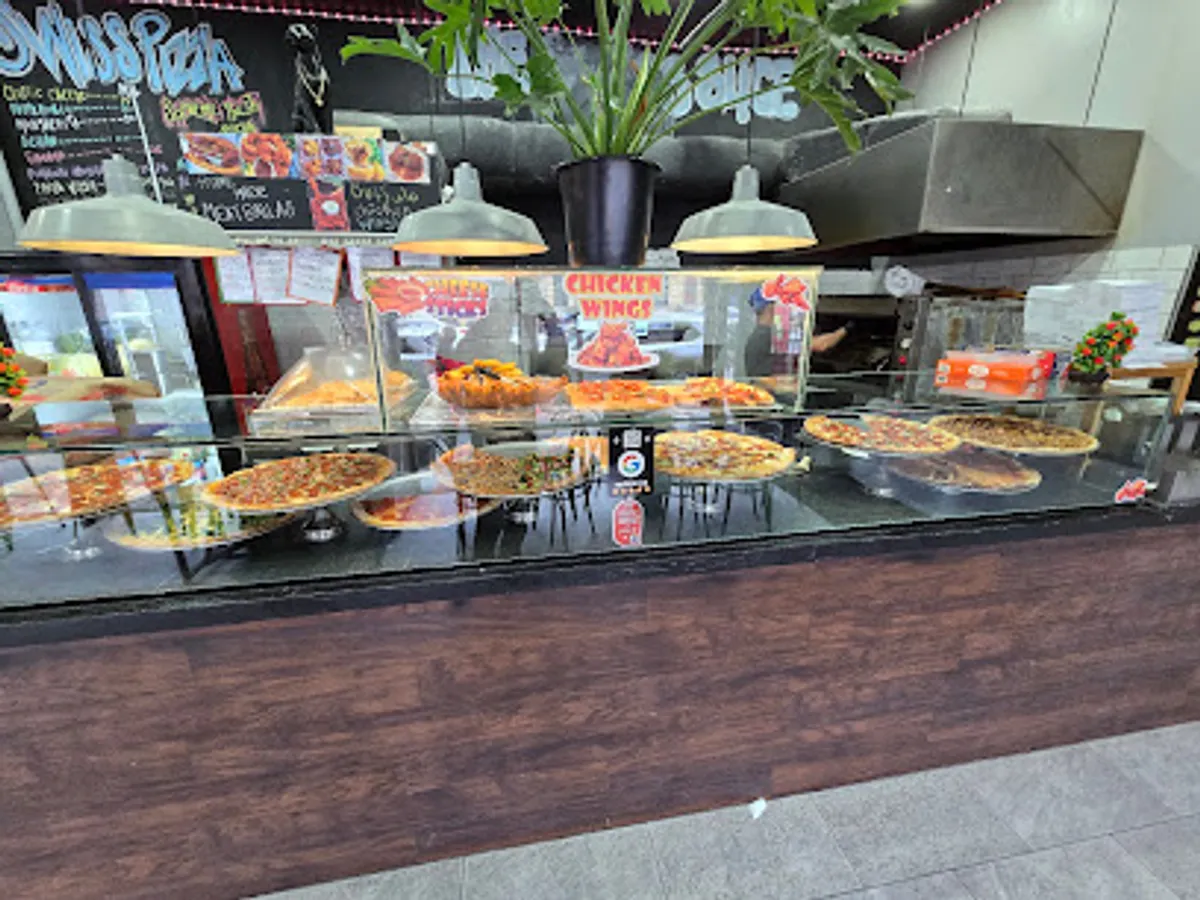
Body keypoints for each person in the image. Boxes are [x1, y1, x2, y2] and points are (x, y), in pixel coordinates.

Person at [743, 289, 849, 377]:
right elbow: (821, 345)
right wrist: (848, 328)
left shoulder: (759, 334)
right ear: (770, 307)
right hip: (778, 397)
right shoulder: (768, 335)